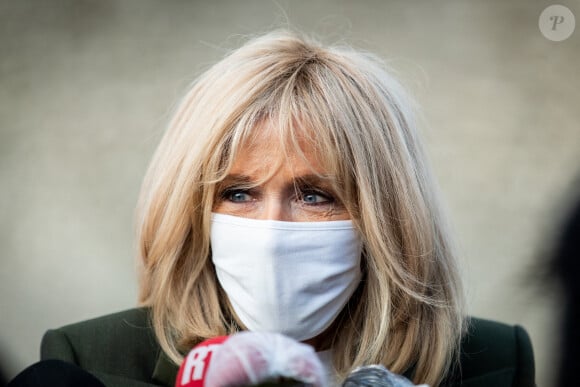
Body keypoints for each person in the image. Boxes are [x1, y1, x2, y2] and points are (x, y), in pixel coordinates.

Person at [38, 31, 535, 387]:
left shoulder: (494, 361)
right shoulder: (91, 362)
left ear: (386, 218)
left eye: (314, 196)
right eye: (238, 193)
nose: (272, 233)